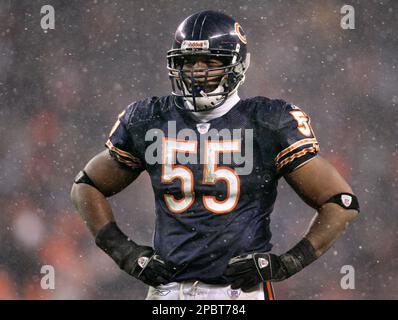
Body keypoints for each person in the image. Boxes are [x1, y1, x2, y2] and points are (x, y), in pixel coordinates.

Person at [70, 10, 359, 300]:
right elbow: (86, 186)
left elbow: (340, 201)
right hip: (168, 292)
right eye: (189, 61)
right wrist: (126, 254)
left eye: (211, 61)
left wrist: (287, 263)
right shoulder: (150, 118)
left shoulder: (268, 121)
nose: (198, 71)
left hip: (238, 293)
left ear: (238, 64)